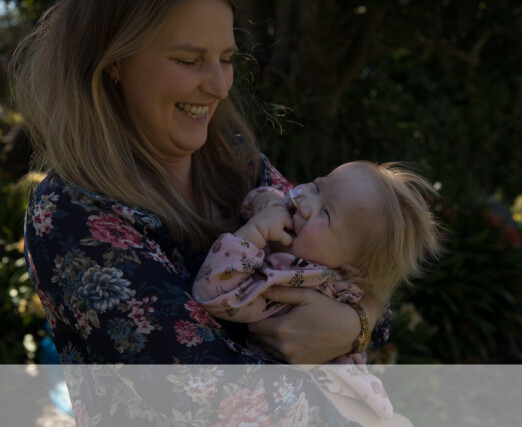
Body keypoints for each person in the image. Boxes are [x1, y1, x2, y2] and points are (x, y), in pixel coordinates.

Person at [8, 0, 412, 425]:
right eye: (189, 60)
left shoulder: (234, 160)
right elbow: (208, 396)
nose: (220, 86)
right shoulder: (71, 210)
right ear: (113, 63)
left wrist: (355, 322)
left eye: (226, 59)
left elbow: (359, 258)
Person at [192, 160, 441, 419]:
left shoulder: (300, 278)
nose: (305, 201)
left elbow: (215, 293)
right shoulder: (303, 242)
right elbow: (266, 193)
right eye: (316, 186)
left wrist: (253, 231)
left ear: (346, 270)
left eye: (326, 214)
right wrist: (267, 201)